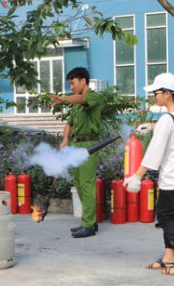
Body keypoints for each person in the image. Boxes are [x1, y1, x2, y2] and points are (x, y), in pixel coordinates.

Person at [124, 72, 174, 276]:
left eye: (156, 92)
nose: (154, 96)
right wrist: (152, 126)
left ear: (167, 94)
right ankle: (168, 257)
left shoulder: (167, 119)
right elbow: (171, 127)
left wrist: (137, 176)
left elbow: (154, 154)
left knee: (165, 217)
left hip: (173, 178)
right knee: (168, 215)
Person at [50, 67, 103, 238]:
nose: (71, 87)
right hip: (76, 145)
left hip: (89, 144)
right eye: (70, 84)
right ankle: (91, 222)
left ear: (83, 81)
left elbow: (81, 98)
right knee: (79, 184)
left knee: (87, 184)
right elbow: (70, 124)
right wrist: (65, 139)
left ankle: (88, 225)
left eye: (73, 83)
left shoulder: (93, 97)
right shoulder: (76, 106)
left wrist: (63, 99)